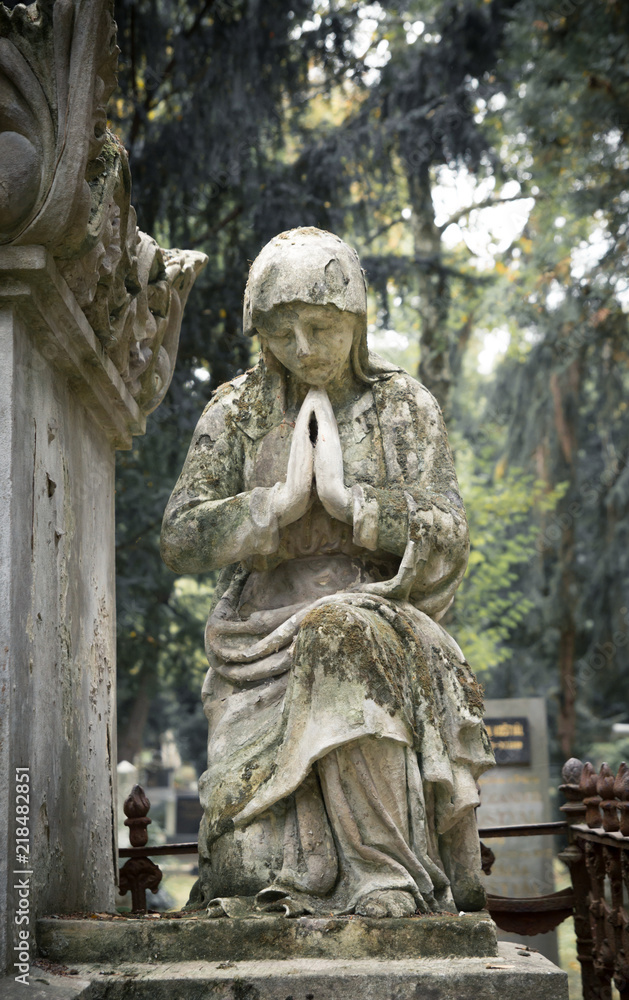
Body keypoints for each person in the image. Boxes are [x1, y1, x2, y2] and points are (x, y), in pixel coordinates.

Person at [161, 227, 495, 918]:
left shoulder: (402, 407)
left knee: (340, 629)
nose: (303, 348)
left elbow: (451, 533)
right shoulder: (238, 411)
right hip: (258, 642)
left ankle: (382, 872)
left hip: (375, 615)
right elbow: (180, 537)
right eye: (281, 332)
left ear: (355, 320)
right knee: (245, 870)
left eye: (320, 326)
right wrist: (275, 507)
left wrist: (351, 505)